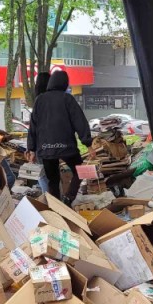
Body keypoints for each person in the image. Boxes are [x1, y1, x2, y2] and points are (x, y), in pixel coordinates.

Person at [27, 70, 92, 204]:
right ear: (65, 83)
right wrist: (88, 144)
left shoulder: (40, 100)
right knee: (80, 170)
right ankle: (68, 197)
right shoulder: (67, 98)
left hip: (45, 148)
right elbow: (80, 121)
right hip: (66, 146)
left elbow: (33, 126)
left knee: (53, 180)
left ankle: (56, 208)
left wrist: (31, 149)